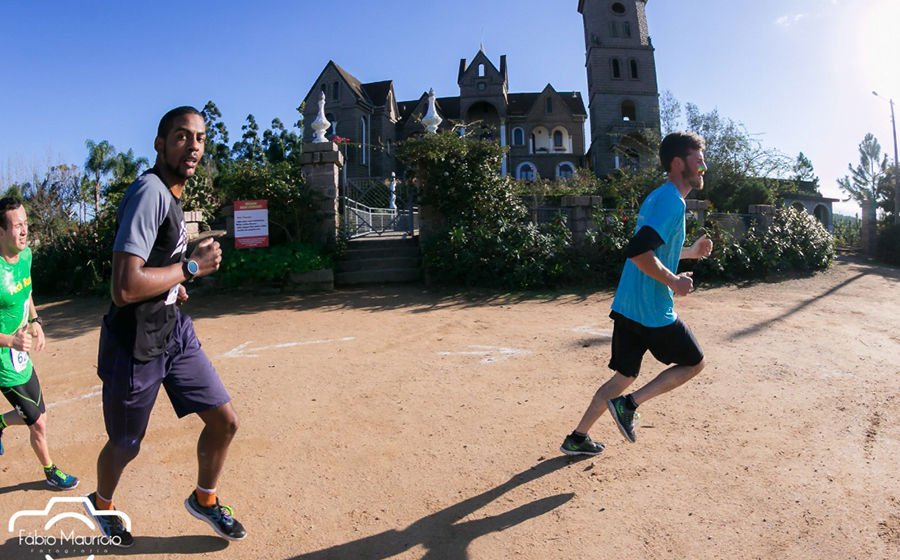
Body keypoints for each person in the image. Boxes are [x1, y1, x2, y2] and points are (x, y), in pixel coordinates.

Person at [86, 106, 245, 546]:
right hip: (134, 344)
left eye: (199, 138)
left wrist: (174, 283)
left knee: (224, 421)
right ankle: (101, 503)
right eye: (181, 136)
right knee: (125, 444)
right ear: (159, 143)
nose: (193, 146)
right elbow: (124, 286)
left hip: (173, 330)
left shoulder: (170, 195)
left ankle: (205, 500)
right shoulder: (149, 193)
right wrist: (191, 267)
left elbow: (154, 269)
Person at [561, 131, 713, 456]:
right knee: (695, 364)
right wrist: (673, 281)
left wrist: (689, 253)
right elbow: (638, 250)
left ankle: (577, 437)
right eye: (698, 160)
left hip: (628, 305)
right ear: (678, 162)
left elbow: (654, 249)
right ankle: (629, 406)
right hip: (652, 311)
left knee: (623, 376)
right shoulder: (673, 202)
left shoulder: (659, 195)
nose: (704, 167)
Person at [0, 197, 79, 489]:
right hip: (3, 360)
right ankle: (51, 472)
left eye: (25, 224)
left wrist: (36, 321)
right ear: (0, 232)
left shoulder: (26, 256)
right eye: (17, 226)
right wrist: (10, 340)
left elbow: (27, 291)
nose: (24, 231)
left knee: (39, 413)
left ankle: (0, 423)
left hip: (20, 353)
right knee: (38, 422)